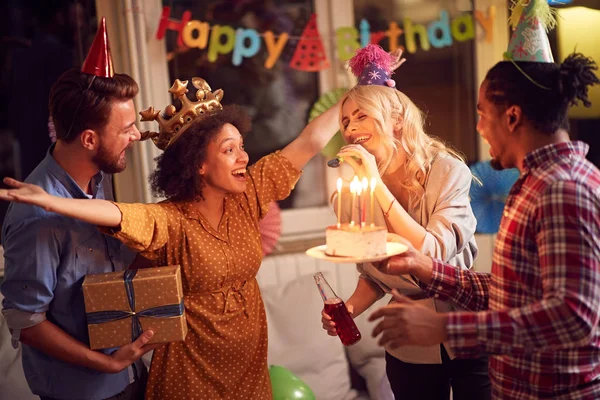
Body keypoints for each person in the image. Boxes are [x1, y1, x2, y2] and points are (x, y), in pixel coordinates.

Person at [0, 72, 340, 398]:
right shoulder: (171, 219)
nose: (245, 156)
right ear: (198, 165)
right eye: (229, 149)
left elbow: (307, 143)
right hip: (189, 379)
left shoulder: (247, 195)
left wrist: (360, 93)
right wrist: (52, 202)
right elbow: (120, 215)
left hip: (249, 377)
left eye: (242, 146)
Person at [368, 2, 600, 398]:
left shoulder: (562, 190)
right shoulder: (533, 185)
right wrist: (428, 268)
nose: (477, 127)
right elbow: (516, 295)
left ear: (511, 117)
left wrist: (446, 328)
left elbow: (573, 317)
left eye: (482, 114)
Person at [320, 44, 490, 400]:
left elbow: (433, 254)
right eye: (345, 122)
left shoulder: (447, 171)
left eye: (361, 116)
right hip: (407, 343)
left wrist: (379, 187)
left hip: (465, 331)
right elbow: (375, 273)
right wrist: (348, 309)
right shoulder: (357, 188)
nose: (350, 129)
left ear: (396, 120)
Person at [0, 19, 158, 400]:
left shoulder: (96, 176)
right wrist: (106, 363)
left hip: (130, 373)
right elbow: (25, 321)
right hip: (85, 390)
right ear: (89, 138)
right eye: (126, 129)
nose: (136, 136)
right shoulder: (36, 218)